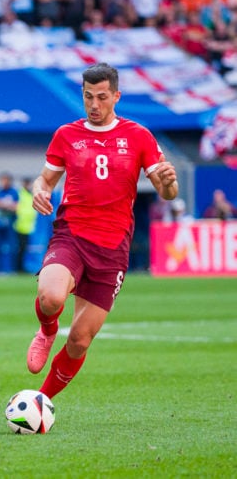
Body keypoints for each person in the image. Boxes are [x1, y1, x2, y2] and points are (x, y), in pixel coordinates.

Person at [26, 62, 179, 400]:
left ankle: (40, 401)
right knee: (50, 298)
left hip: (113, 248)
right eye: (87, 97)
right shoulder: (67, 134)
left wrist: (169, 184)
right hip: (71, 235)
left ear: (116, 97)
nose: (94, 105)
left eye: (101, 97)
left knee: (80, 339)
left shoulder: (138, 135)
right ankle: (47, 329)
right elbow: (45, 178)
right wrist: (40, 190)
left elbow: (167, 192)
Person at [13, 176, 37, 273]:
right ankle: (18, 268)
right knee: (20, 249)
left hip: (28, 227)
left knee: (24, 249)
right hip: (19, 226)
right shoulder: (20, 194)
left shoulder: (30, 194)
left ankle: (22, 267)